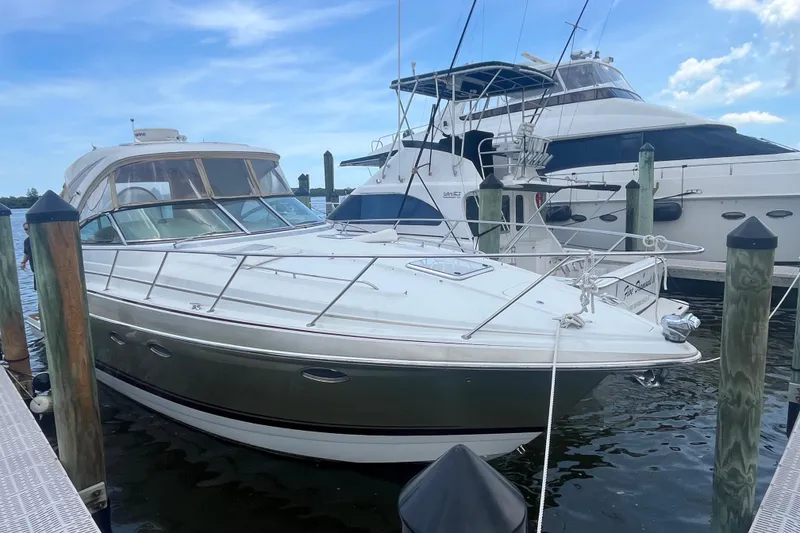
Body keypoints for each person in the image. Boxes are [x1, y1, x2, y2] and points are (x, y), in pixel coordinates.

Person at [20, 222, 35, 290]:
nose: (27, 230)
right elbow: (27, 253)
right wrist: (23, 262)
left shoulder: (42, 239)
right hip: (35, 271)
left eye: (28, 228)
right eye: (25, 229)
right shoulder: (26, 241)